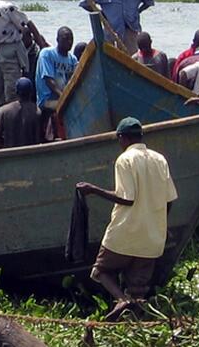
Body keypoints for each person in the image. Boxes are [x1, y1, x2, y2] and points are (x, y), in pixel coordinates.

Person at [75, 117, 178, 321]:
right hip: (152, 237)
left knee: (100, 271)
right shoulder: (160, 159)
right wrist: (161, 224)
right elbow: (169, 199)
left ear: (122, 138)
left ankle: (121, 300)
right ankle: (134, 318)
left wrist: (92, 189)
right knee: (138, 290)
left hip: (125, 231)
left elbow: (126, 199)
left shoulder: (125, 159)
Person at [35, 27, 78, 138]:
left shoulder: (72, 59)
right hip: (48, 100)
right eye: (66, 38)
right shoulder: (47, 54)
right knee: (69, 108)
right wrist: (63, 97)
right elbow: (49, 81)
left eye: (71, 39)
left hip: (64, 99)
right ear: (57, 39)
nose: (69, 42)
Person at [0, 78, 41, 147]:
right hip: (29, 154)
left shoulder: (4, 110)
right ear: (31, 92)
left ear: (16, 92)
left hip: (10, 154)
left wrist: (6, 144)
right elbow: (38, 139)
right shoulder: (37, 112)